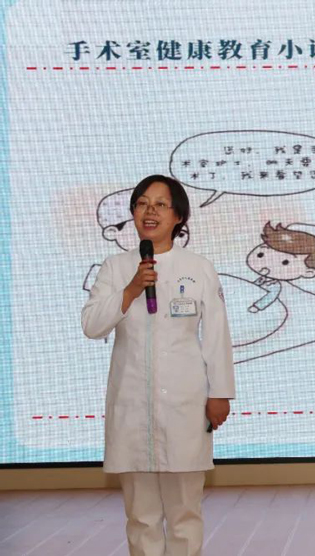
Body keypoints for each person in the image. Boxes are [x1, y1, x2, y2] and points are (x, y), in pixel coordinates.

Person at [82, 174, 235, 556]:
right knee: (141, 516)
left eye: (160, 205)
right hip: (132, 404)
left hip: (185, 403)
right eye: (142, 204)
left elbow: (216, 336)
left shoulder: (198, 267)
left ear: (179, 216)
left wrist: (220, 393)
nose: (149, 212)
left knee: (185, 513)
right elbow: (92, 325)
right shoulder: (115, 267)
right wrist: (132, 288)